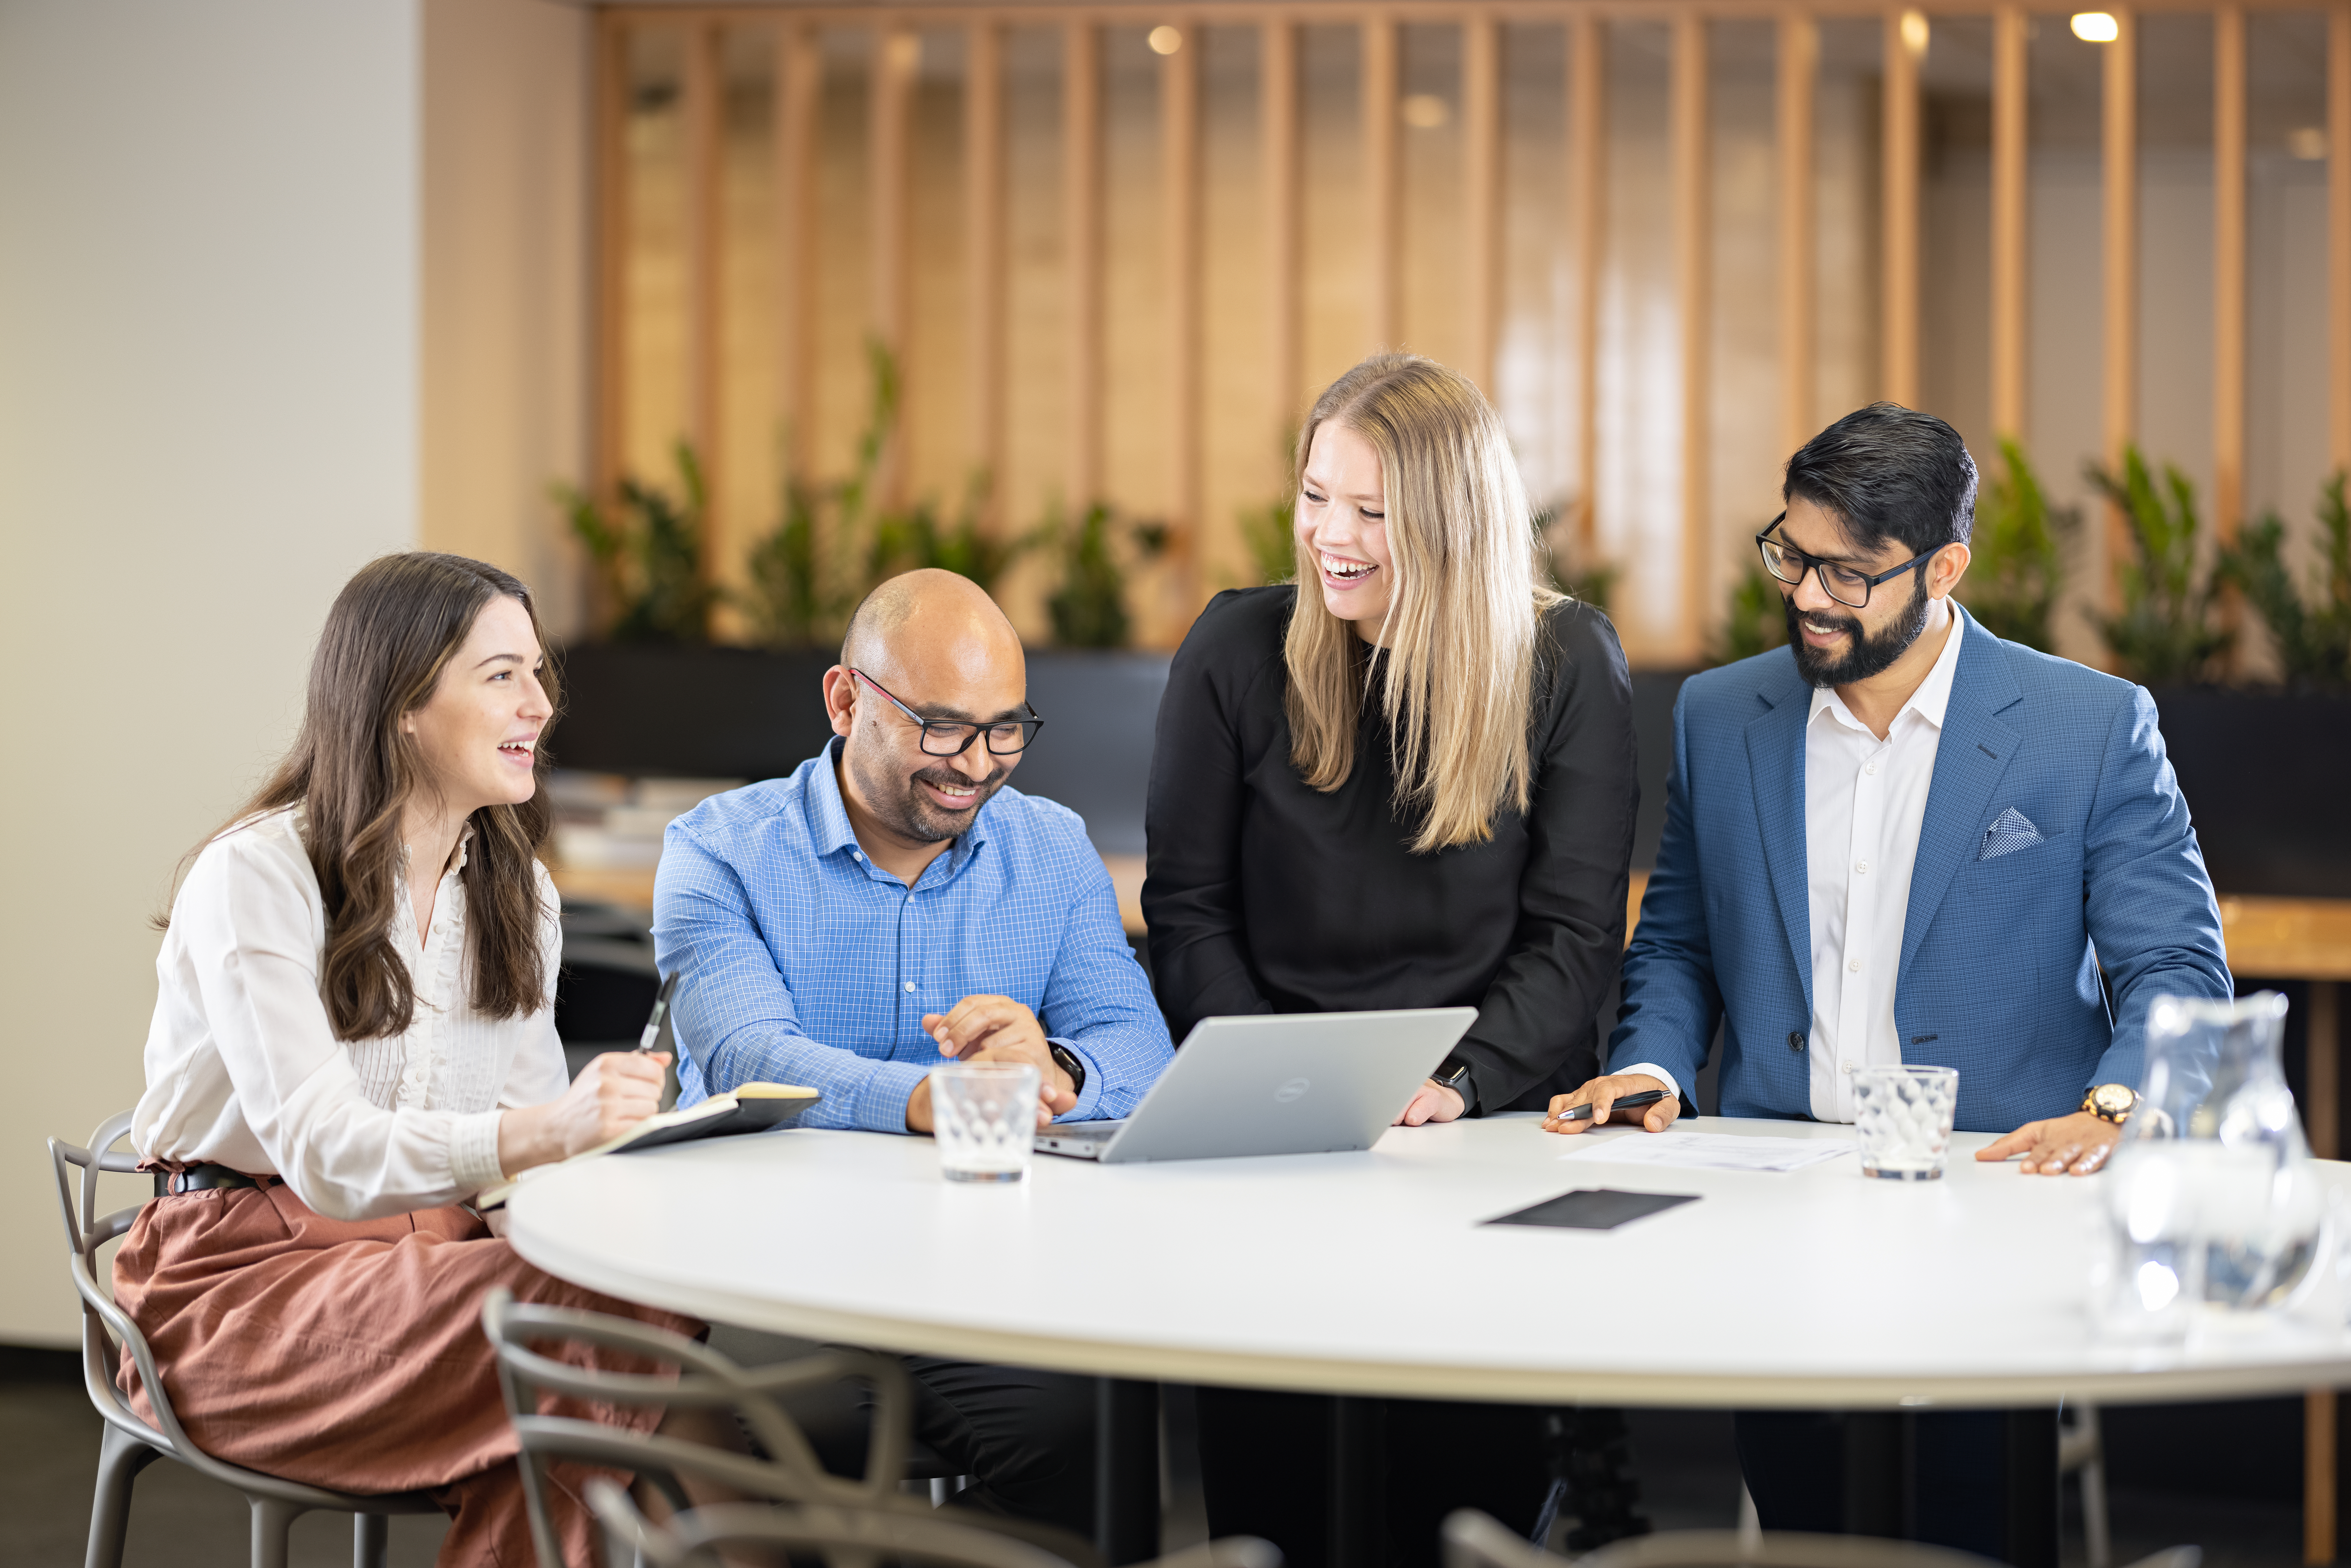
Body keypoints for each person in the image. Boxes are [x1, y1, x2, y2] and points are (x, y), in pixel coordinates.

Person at [1547, 403, 2233, 1548]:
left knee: (1969, 1532)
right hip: (1773, 1210)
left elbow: (2175, 963)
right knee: (1811, 1522)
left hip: (1994, 1212)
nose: (1807, 594)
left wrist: (2121, 1104)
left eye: (1848, 573)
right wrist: (1653, 1061)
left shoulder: (2085, 724)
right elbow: (1675, 941)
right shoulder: (1719, 719)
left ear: (1942, 567)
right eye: (1790, 554)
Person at [1143, 353, 1639, 1567]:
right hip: (1270, 1132)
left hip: (1478, 1137)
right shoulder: (1234, 647)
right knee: (1272, 1513)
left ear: (1451, 520)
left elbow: (1573, 935)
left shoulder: (1564, 663)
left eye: (1371, 510)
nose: (1330, 536)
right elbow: (1187, 907)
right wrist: (1283, 1082)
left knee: (1451, 1509)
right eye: (1315, 496)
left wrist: (1452, 1083)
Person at [124, 552, 715, 1567]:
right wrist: (549, 1133)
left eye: (539, 673)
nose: (539, 702)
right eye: (501, 676)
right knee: (591, 1355)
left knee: (630, 1303)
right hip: (234, 1286)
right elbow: (322, 1153)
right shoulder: (258, 875)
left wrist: (624, 1179)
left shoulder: (518, 893)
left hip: (428, 1266)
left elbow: (520, 1186)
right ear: (401, 704)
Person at [652, 567, 1174, 1538]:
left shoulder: (1054, 850)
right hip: (771, 1278)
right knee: (768, 1461)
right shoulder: (720, 851)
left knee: (1095, 1439)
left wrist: (1055, 1069)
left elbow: (1138, 1042)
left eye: (1005, 728)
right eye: (941, 726)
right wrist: (933, 1097)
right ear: (847, 700)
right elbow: (745, 1056)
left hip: (980, 1280)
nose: (975, 765)